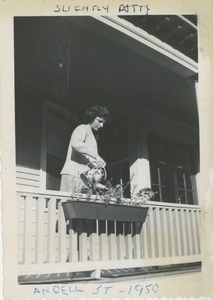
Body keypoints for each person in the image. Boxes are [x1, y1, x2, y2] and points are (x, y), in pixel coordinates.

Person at [60, 105, 110, 193]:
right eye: (99, 121)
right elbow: (76, 144)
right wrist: (96, 156)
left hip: (83, 178)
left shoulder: (92, 136)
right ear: (92, 117)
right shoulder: (83, 128)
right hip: (73, 174)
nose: (101, 125)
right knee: (70, 204)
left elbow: (86, 157)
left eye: (103, 123)